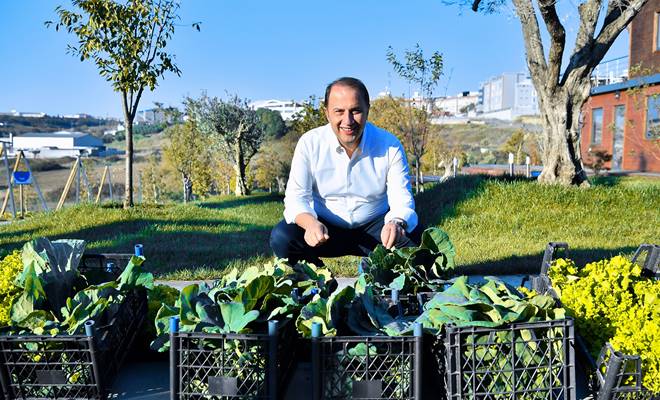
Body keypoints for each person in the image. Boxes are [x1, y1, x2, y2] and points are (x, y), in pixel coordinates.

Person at [269, 77, 423, 266]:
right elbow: (295, 199)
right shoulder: (310, 143)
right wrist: (310, 224)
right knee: (282, 238)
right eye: (339, 111)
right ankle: (320, 279)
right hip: (325, 231)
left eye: (355, 111)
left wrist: (396, 223)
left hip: (378, 232)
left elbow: (402, 200)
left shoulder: (390, 145)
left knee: (420, 244)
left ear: (368, 110)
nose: (348, 121)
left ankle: (378, 273)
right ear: (327, 113)